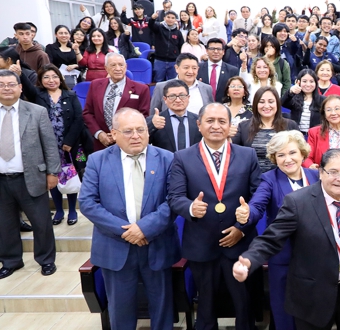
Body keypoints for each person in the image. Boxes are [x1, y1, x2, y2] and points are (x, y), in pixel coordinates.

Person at [233, 148, 340, 330]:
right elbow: (271, 238)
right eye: (333, 172)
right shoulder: (298, 202)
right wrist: (249, 261)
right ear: (320, 172)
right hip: (313, 293)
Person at [78, 107, 180, 329]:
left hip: (157, 244)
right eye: (128, 131)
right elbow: (87, 203)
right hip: (116, 247)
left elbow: (174, 200)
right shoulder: (97, 160)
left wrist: (144, 229)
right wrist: (127, 231)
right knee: (120, 311)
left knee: (162, 308)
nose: (136, 136)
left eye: (140, 130)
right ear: (114, 134)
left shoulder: (167, 158)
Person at [168, 103, 262, 330]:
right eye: (210, 121)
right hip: (201, 244)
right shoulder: (182, 157)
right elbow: (175, 197)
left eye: (222, 121)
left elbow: (258, 196)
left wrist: (242, 224)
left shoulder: (247, 155)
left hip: (240, 243)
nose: (216, 126)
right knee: (206, 307)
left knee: (243, 305)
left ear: (231, 126)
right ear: (199, 125)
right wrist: (191, 208)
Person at [236, 130, 319, 330]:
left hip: (316, 259)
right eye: (280, 155)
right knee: (284, 314)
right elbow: (257, 205)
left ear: (302, 153)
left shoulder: (317, 176)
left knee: (313, 313)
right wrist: (246, 214)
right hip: (283, 258)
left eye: (292, 153)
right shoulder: (269, 179)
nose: (287, 159)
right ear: (274, 158)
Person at [0, 70, 60, 279]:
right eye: (1, 84)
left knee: (41, 222)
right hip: (2, 180)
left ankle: (46, 260)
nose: (6, 88)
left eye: (10, 84)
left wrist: (53, 172)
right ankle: (11, 260)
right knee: (5, 224)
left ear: (20, 87)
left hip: (31, 176)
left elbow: (50, 145)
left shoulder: (36, 111)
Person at [21, 64, 83, 225]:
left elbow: (78, 119)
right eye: (46, 77)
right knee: (52, 177)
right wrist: (19, 73)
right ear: (41, 80)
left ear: (60, 78)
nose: (51, 80)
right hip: (46, 145)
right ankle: (59, 210)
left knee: (69, 176)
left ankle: (71, 210)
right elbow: (27, 88)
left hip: (68, 145)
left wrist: (69, 141)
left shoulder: (70, 94)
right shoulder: (38, 95)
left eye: (54, 76)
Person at [83, 54, 151, 151]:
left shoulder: (141, 89)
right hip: (101, 143)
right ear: (106, 68)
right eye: (113, 65)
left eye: (121, 65)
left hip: (128, 141)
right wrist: (99, 133)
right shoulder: (95, 85)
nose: (117, 68)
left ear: (126, 67)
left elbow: (143, 116)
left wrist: (122, 133)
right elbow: (88, 112)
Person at [232, 87, 299, 171]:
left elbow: (300, 153)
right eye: (261, 102)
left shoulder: (291, 125)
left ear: (277, 104)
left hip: (283, 177)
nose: (266, 106)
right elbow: (233, 152)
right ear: (256, 104)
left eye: (271, 102)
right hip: (253, 179)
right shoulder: (243, 126)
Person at [147, 79, 203, 153]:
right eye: (172, 96)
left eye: (182, 95)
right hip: (166, 163)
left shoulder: (198, 120)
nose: (178, 100)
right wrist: (152, 126)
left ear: (188, 98)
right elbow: (143, 143)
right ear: (165, 99)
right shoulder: (155, 120)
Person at [282, 69, 325, 134]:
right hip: (296, 135)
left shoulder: (323, 100)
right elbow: (282, 102)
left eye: (311, 81)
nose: (308, 84)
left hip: (315, 136)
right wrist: (290, 92)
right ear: (298, 82)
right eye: (304, 81)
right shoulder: (293, 98)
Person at [197, 39, 240, 103]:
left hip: (224, 107)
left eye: (219, 49)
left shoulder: (232, 70)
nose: (216, 51)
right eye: (212, 49)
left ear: (223, 52)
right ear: (207, 51)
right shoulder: (198, 68)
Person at [150, 10, 185, 82]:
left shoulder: (178, 32)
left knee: (173, 82)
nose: (170, 19)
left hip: (173, 61)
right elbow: (151, 25)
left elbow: (181, 46)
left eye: (172, 18)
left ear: (175, 20)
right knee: (158, 81)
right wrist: (152, 19)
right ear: (164, 18)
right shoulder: (159, 27)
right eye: (168, 17)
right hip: (159, 60)